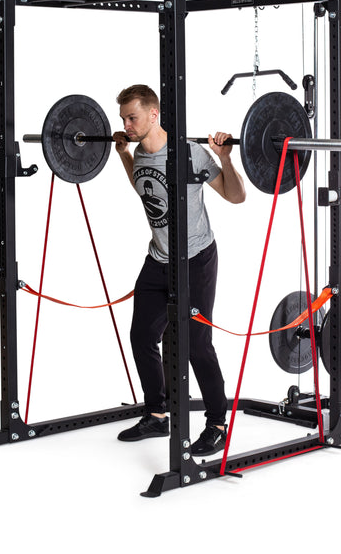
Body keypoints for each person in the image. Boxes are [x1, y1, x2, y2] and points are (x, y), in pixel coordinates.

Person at [113, 84, 246, 456]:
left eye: (132, 117)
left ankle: (218, 423)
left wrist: (225, 160)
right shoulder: (138, 152)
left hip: (196, 259)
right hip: (158, 259)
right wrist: (123, 153)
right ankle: (157, 413)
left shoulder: (189, 153)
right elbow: (142, 187)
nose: (126, 123)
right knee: (142, 336)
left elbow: (236, 197)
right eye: (123, 118)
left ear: (153, 115)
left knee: (197, 345)